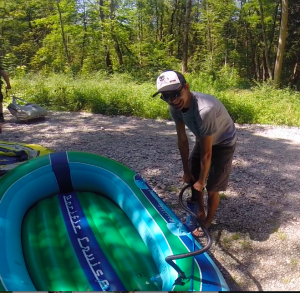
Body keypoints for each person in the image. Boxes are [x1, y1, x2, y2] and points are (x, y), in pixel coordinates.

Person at [153, 70, 237, 236]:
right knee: (193, 176)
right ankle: (199, 212)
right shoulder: (174, 107)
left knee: (212, 186)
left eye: (176, 93)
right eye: (166, 96)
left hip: (224, 142)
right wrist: (186, 171)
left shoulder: (204, 110)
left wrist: (202, 180)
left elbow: (207, 154)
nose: (172, 100)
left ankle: (207, 222)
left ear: (186, 87)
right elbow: (183, 141)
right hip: (204, 138)